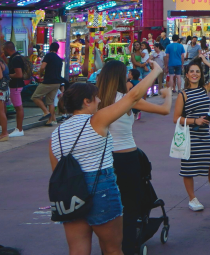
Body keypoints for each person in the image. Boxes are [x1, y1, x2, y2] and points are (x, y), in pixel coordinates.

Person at [48, 64, 162, 255]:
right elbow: (132, 97)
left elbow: (57, 172)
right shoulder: (97, 120)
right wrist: (155, 71)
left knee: (77, 249)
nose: (100, 101)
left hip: (71, 193)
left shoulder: (56, 133)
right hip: (100, 187)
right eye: (96, 98)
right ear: (86, 102)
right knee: (112, 249)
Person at [96, 59, 174, 255]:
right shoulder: (127, 99)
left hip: (103, 159)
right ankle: (128, 246)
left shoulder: (95, 99)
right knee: (130, 206)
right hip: (128, 157)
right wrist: (168, 95)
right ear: (122, 77)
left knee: (107, 206)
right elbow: (164, 110)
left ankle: (108, 247)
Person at [172, 58, 210, 211]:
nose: (195, 74)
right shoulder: (182, 95)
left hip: (204, 134)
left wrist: (205, 61)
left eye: (197, 71)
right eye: (191, 71)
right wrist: (194, 121)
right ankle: (192, 199)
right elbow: (176, 118)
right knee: (188, 168)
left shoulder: (204, 89)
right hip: (190, 134)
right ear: (186, 74)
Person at [33, 41, 64, 127]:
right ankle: (49, 121)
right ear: (57, 49)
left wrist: (40, 74)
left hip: (48, 82)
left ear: (50, 48)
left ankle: (46, 112)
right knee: (50, 102)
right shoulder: (59, 59)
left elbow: (42, 67)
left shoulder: (48, 56)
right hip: (57, 83)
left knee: (35, 97)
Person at [3, 41, 28, 137]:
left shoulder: (15, 59)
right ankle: (18, 128)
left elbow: (19, 74)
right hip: (16, 86)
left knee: (18, 107)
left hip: (16, 86)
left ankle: (19, 129)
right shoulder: (16, 57)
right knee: (18, 107)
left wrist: (7, 75)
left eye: (4, 50)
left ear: (8, 49)